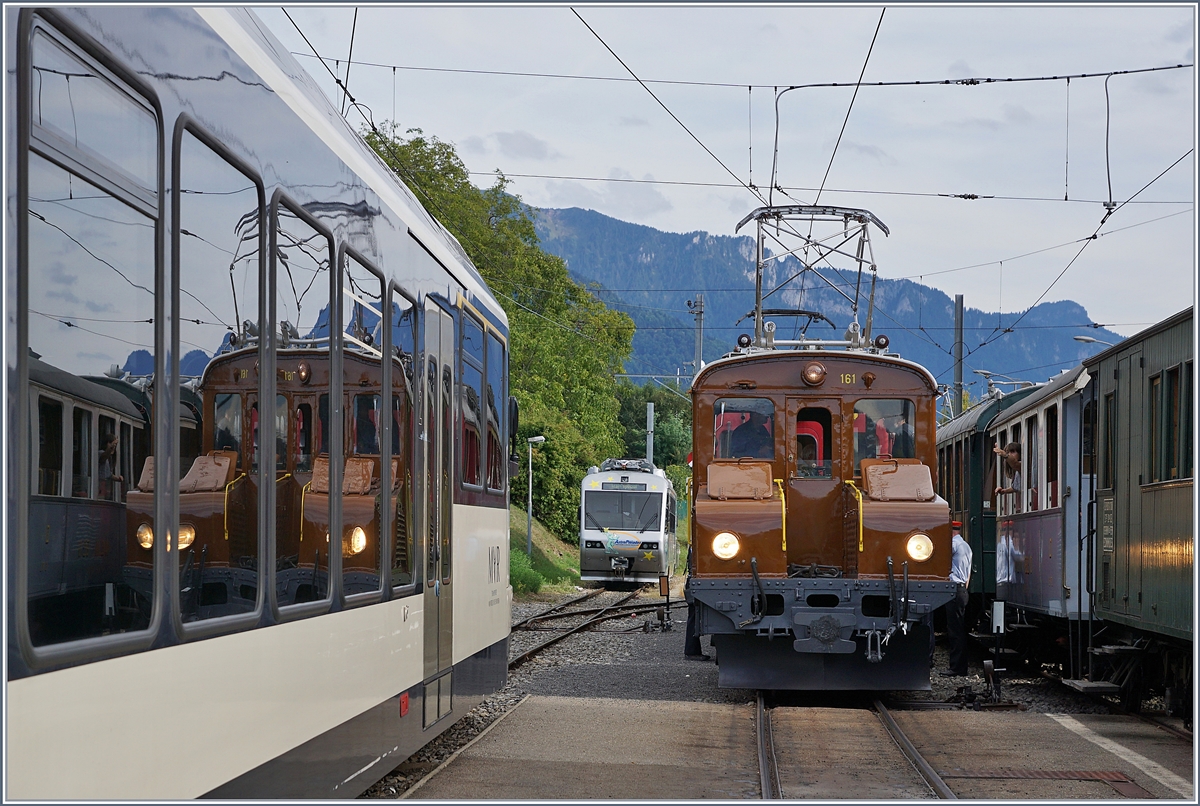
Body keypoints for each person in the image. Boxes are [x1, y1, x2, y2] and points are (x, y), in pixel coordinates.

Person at [939, 521, 973, 677]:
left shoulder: (952, 545)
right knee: (959, 628)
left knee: (955, 630)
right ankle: (960, 666)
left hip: (953, 589)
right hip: (962, 589)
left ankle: (957, 668)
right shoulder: (966, 546)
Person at [684, 546, 709, 660]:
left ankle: (692, 650)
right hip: (695, 586)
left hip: (692, 584)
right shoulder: (696, 547)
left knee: (693, 617)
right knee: (694, 617)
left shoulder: (693, 547)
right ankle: (691, 651)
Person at [993, 442, 1022, 513]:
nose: (1010, 454)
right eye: (1008, 452)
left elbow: (1016, 465)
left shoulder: (1022, 465)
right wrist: (1003, 491)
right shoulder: (1017, 472)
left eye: (1012, 452)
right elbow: (1015, 487)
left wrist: (1005, 455)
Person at [99, 433, 123, 501]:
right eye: (110, 443)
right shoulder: (101, 453)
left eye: (115, 445)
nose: (113, 446)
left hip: (105, 488)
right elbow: (103, 457)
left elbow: (108, 474)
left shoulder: (110, 458)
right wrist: (111, 448)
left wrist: (118, 478)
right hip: (99, 487)